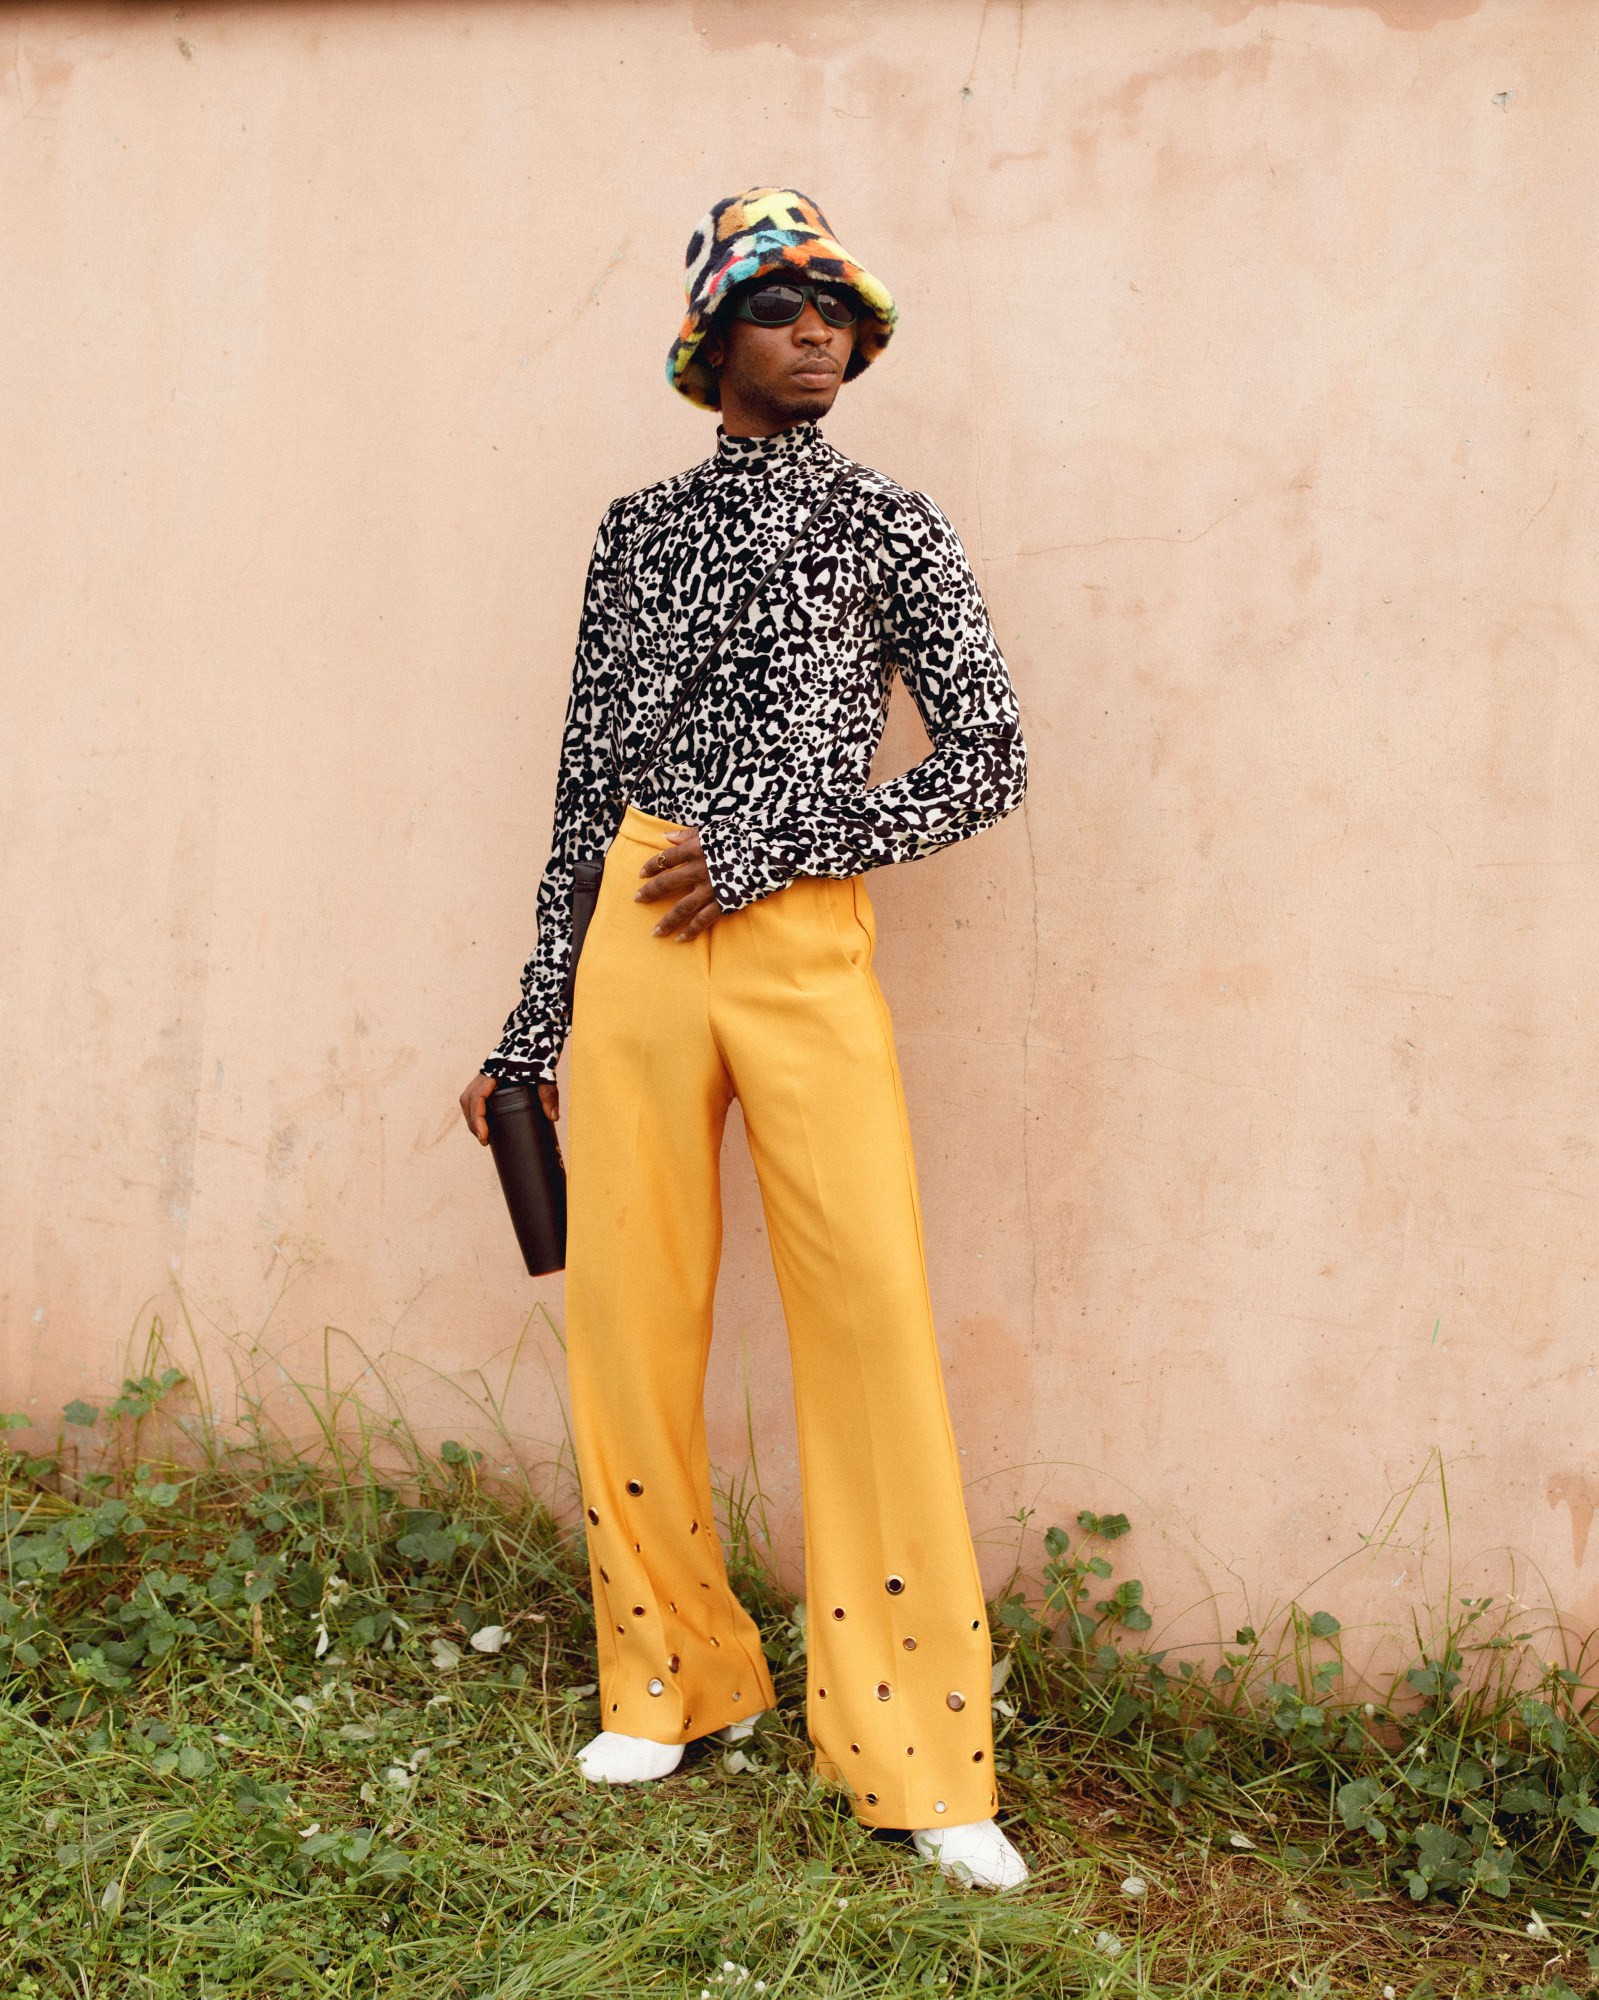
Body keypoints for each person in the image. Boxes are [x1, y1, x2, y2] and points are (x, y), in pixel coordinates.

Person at [460, 188, 1029, 1890]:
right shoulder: (635, 531)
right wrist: (531, 1021)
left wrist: (787, 841)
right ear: (714, 342)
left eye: (837, 309)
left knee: (865, 1318)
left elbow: (988, 756)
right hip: (636, 931)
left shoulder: (893, 525)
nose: (817, 330)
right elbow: (581, 786)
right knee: (629, 1316)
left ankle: (927, 1756)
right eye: (781, 305)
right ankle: (674, 1675)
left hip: (798, 946)